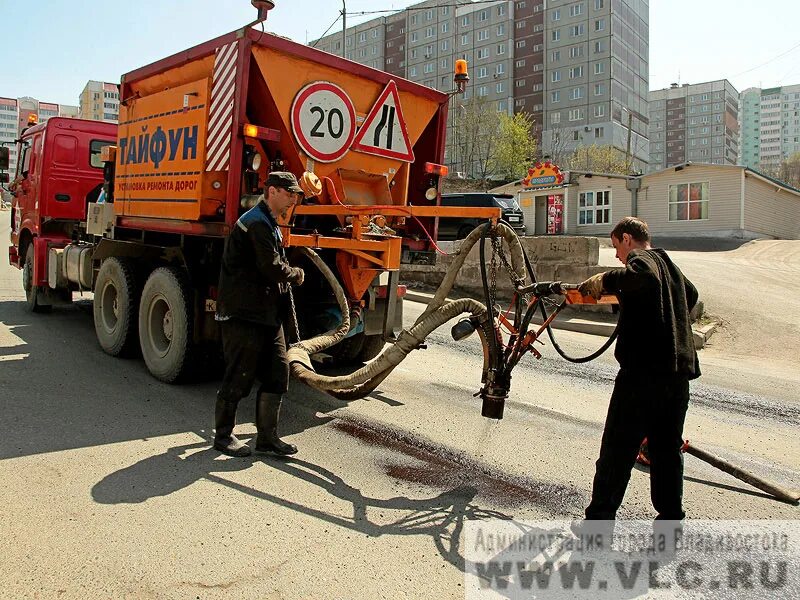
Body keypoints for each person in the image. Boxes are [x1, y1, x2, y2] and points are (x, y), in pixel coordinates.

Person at [578, 216, 700, 521]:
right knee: (665, 449)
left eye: (617, 247)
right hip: (677, 377)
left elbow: (642, 280)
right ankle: (671, 514)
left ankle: (599, 518)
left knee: (618, 448)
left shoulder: (642, 261)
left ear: (627, 239)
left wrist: (607, 280)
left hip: (643, 375)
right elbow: (692, 294)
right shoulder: (667, 264)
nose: (618, 255)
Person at [213, 171, 305, 457]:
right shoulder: (256, 223)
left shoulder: (269, 222)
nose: (293, 199)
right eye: (289, 193)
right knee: (239, 375)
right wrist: (297, 274)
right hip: (244, 313)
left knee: (278, 372)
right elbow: (272, 267)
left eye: (295, 195)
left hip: (266, 313)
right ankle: (224, 436)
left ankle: (267, 438)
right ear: (273, 191)